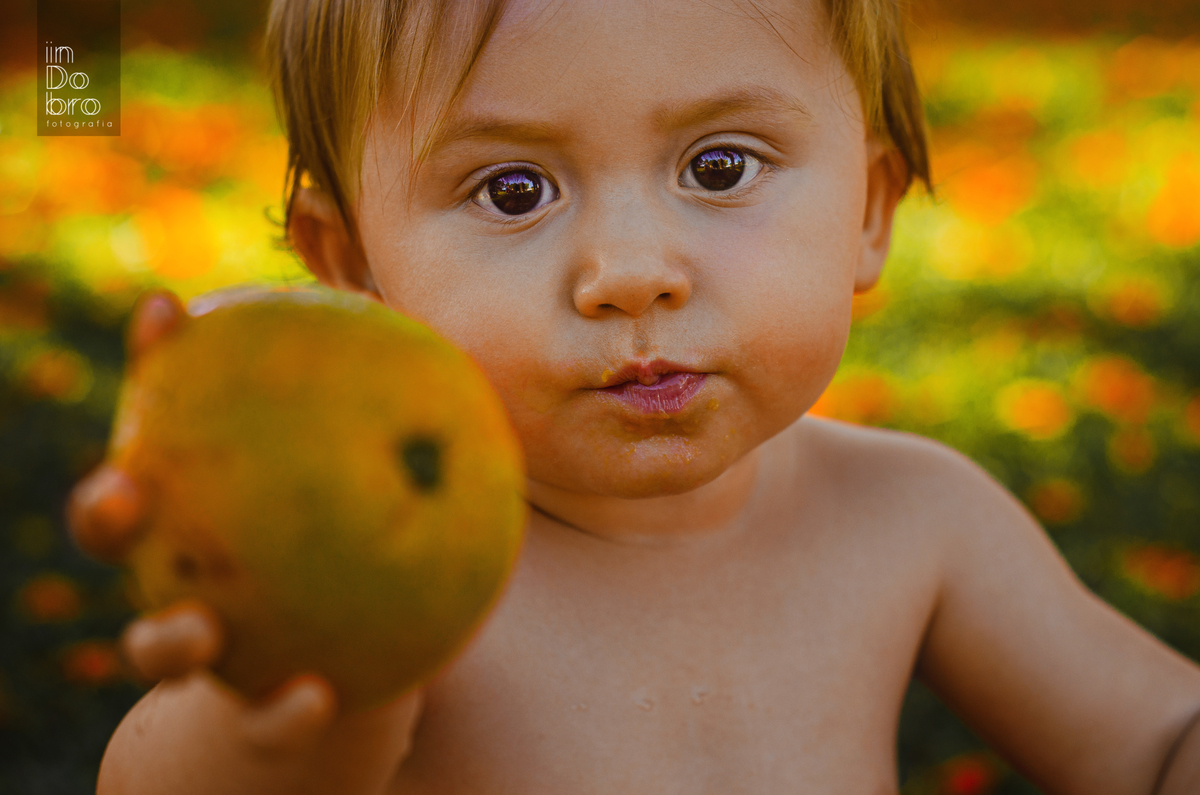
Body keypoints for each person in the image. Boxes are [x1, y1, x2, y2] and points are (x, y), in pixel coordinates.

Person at [68, 0, 1200, 792]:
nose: (628, 272)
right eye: (514, 190)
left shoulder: (912, 517)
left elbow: (1153, 745)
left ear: (868, 209)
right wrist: (292, 694)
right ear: (352, 263)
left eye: (719, 167)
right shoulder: (402, 584)